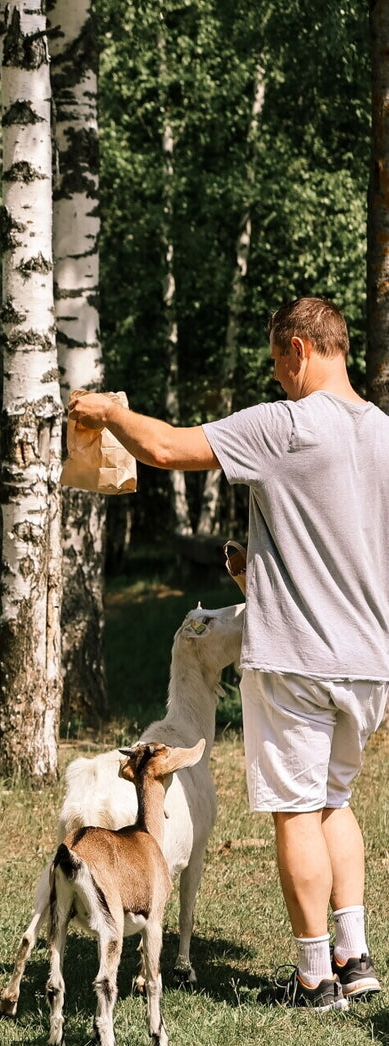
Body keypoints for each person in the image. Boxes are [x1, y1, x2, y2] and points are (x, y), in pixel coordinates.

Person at [70, 297, 389, 1010]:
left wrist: (110, 414)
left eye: (279, 365)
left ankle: (314, 979)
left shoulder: (287, 424)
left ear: (300, 351)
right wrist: (264, 574)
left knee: (297, 810)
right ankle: (356, 956)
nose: (278, 380)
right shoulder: (385, 436)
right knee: (337, 801)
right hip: (369, 658)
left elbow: (165, 448)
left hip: (299, 659)